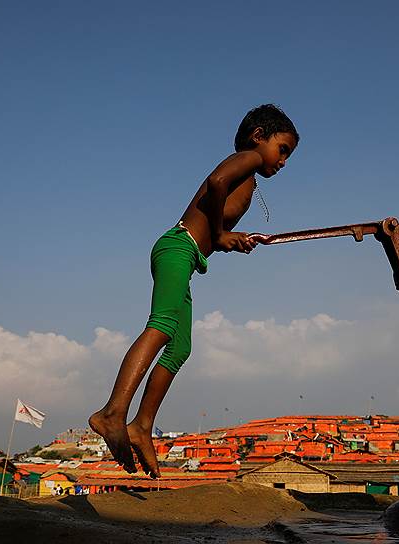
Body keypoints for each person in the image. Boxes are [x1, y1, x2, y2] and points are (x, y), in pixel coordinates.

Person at [89, 104, 299, 478]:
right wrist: (219, 234)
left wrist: (227, 241)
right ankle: (112, 413)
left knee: (180, 346)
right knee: (163, 324)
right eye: (282, 149)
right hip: (177, 247)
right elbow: (216, 183)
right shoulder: (248, 158)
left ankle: (141, 426)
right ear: (258, 137)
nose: (283, 162)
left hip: (187, 253)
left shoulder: (250, 175)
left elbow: (213, 228)